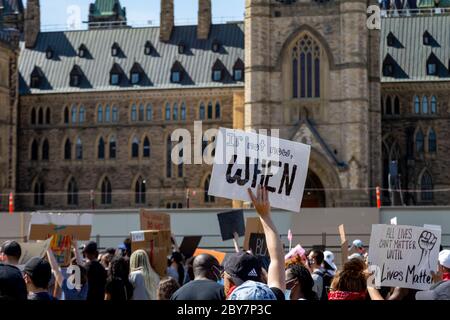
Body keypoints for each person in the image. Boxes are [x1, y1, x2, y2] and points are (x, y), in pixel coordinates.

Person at [222, 186, 285, 300]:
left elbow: (277, 261)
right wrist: (265, 215)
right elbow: (277, 260)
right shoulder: (271, 296)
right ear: (260, 275)